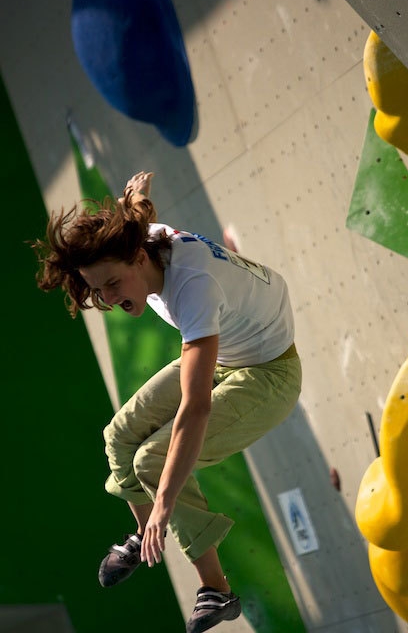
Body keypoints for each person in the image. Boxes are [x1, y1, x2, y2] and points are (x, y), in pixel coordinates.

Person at [33, 171, 302, 633]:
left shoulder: (192, 288)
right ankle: (143, 535)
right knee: (119, 436)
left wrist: (165, 503)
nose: (109, 299)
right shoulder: (146, 238)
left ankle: (216, 591)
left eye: (113, 284)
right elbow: (138, 215)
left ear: (138, 259)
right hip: (232, 349)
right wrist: (137, 196)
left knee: (154, 462)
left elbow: (194, 409)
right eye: (99, 290)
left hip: (269, 373)